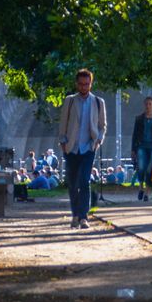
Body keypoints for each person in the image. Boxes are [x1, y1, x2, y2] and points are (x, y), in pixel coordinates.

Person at [58, 68, 107, 229]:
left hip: (88, 147)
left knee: (85, 181)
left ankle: (84, 217)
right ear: (77, 84)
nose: (84, 87)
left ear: (91, 84)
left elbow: (102, 126)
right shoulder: (70, 101)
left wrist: (98, 140)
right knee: (72, 183)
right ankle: (75, 215)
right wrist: (63, 142)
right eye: (81, 84)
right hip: (71, 147)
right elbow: (63, 124)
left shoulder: (99, 103)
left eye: (86, 84)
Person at [131, 97, 152, 202]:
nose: (148, 106)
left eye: (150, 104)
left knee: (150, 169)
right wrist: (133, 149)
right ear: (144, 105)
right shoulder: (139, 119)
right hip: (141, 146)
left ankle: (147, 193)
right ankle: (141, 186)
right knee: (141, 167)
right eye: (146, 104)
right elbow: (135, 134)